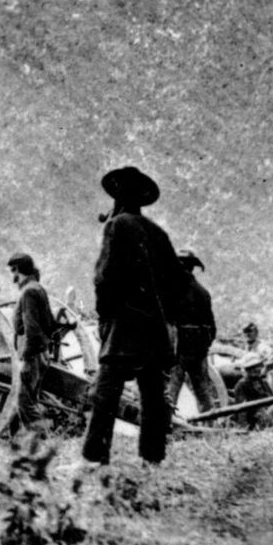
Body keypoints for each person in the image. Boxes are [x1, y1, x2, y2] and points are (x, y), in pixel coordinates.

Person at [81, 166, 182, 467]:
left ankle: (94, 458)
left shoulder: (116, 226)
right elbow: (177, 282)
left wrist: (105, 318)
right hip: (154, 329)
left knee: (105, 394)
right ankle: (152, 460)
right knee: (152, 394)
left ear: (118, 198)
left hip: (123, 326)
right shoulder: (158, 233)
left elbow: (104, 278)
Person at [164, 248, 220, 416]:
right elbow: (212, 328)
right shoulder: (203, 292)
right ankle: (210, 424)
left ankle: (168, 426)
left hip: (179, 349)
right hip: (199, 350)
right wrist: (203, 345)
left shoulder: (171, 290)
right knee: (203, 391)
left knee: (171, 389)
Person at [7, 254, 53, 433]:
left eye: (13, 271)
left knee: (24, 402)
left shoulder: (28, 292)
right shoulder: (37, 288)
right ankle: (17, 439)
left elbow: (32, 329)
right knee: (27, 400)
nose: (12, 278)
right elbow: (48, 324)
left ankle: (43, 443)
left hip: (31, 355)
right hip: (39, 353)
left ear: (17, 270)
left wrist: (26, 358)